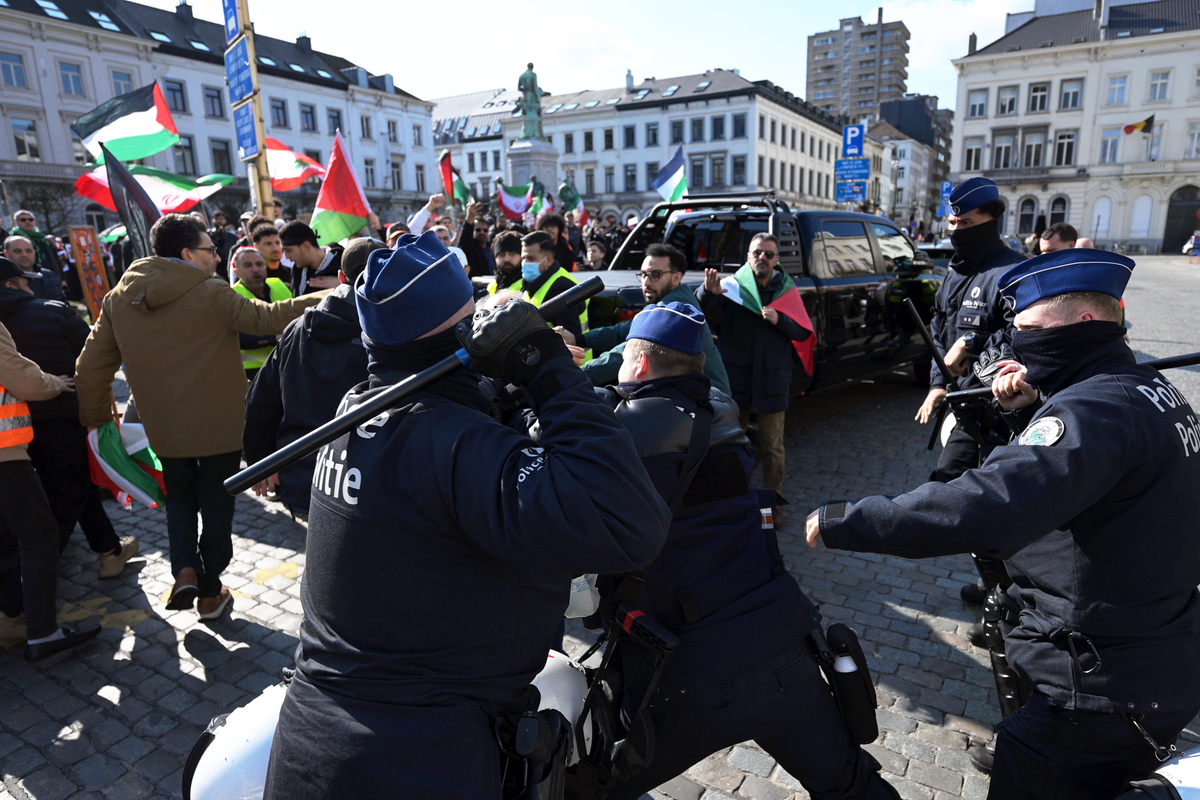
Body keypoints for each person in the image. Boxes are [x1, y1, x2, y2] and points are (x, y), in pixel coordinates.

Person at [261, 231, 670, 799]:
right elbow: (630, 523)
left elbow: (443, 437)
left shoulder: (356, 409)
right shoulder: (455, 446)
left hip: (311, 745)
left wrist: (499, 390)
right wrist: (545, 367)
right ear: (464, 334)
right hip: (420, 761)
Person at [806, 248, 1200, 800]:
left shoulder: (1092, 412)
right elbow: (1084, 482)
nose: (1017, 342)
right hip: (1148, 659)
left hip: (1094, 687)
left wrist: (854, 520)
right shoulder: (1153, 393)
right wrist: (1030, 406)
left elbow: (986, 505)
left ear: (1081, 322)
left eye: (1027, 328)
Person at [575, 302, 900, 800]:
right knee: (851, 786)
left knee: (585, 789)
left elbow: (564, 433)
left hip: (688, 675)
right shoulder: (719, 413)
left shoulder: (624, 435)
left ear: (638, 365)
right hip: (782, 647)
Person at [75, 214, 325, 619]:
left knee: (179, 500)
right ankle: (210, 592)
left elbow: (89, 368)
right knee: (216, 506)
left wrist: (96, 425)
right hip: (221, 425)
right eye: (211, 250)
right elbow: (268, 318)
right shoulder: (211, 291)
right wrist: (333, 295)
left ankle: (184, 570)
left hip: (163, 428)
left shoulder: (119, 298)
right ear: (188, 253)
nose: (216, 257)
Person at [0, 258, 135, 576]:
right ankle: (28, 587)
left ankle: (110, 550)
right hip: (59, 416)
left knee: (71, 487)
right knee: (65, 496)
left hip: (8, 433)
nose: (30, 287)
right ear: (10, 285)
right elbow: (94, 357)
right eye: (24, 282)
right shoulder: (54, 309)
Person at [243, 238, 380, 518]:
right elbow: (263, 398)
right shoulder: (393, 331)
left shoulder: (297, 329)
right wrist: (260, 462)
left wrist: (260, 460)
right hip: (363, 482)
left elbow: (260, 400)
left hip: (310, 475)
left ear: (341, 277)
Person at [0, 318, 102, 661]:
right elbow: (23, 379)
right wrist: (55, 383)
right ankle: (43, 632)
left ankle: (10, 617)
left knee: (4, 542)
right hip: (5, 454)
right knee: (40, 536)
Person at [698, 233, 813, 497]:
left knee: (773, 446)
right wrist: (706, 292)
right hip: (737, 379)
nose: (762, 258)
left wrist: (780, 321)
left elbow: (803, 331)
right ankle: (736, 496)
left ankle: (773, 502)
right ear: (748, 257)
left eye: (768, 254)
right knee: (732, 441)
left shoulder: (787, 291)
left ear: (776, 261)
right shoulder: (732, 287)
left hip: (772, 378)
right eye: (757, 253)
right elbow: (699, 311)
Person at [557, 243, 730, 394]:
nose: (647, 282)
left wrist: (574, 375)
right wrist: (577, 338)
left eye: (655, 275)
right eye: (644, 274)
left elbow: (626, 352)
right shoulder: (673, 300)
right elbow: (623, 331)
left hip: (710, 402)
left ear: (677, 277)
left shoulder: (670, 311)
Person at [486, 230, 587, 338]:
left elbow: (570, 342)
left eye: (531, 258)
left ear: (548, 261)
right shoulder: (530, 284)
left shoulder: (562, 289)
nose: (525, 263)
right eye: (523, 258)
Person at [231, 247, 294, 381]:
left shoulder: (279, 284)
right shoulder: (231, 295)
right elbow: (236, 337)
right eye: (248, 266)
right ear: (237, 271)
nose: (255, 270)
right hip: (252, 373)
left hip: (288, 363)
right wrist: (273, 338)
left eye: (259, 264)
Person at [279, 220, 343, 295]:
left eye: (289, 250)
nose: (286, 256)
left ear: (306, 246)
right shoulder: (297, 269)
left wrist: (344, 285)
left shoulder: (344, 264)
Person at [4, 235, 64, 302]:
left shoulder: (50, 275)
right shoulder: (4, 281)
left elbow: (65, 305)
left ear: (34, 252)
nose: (24, 255)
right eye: (17, 251)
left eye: (28, 250)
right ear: (6, 254)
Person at [454, 202, 494, 279]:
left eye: (485, 230)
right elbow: (465, 240)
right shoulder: (471, 248)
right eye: (478, 230)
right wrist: (470, 218)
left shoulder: (492, 248)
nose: (482, 232)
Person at [209, 211, 238, 282]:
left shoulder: (233, 237)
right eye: (216, 219)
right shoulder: (209, 237)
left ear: (225, 220)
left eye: (221, 219)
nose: (219, 221)